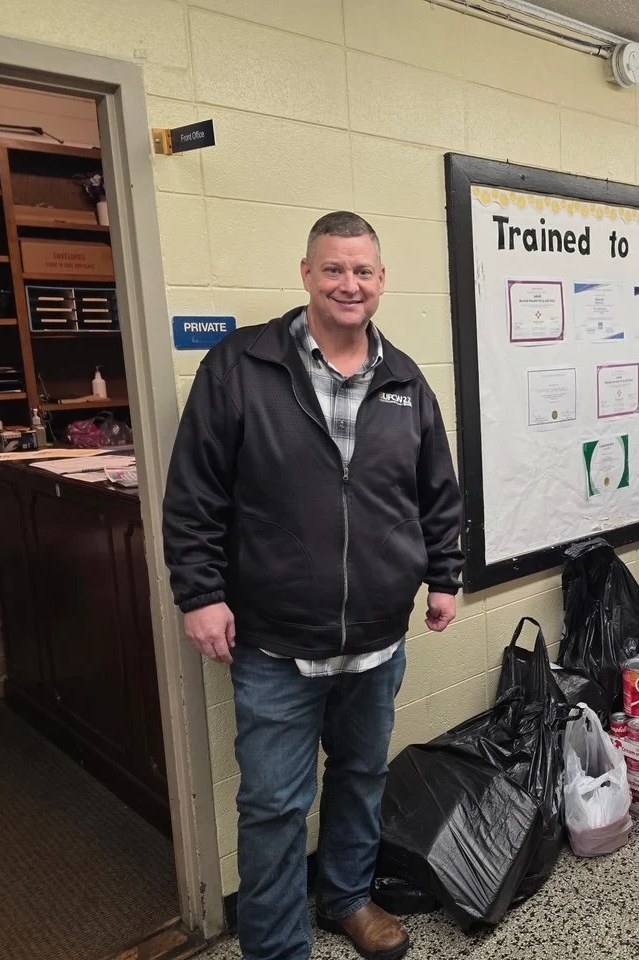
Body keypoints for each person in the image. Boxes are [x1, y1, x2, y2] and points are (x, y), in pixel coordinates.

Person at [163, 211, 462, 960]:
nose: (349, 284)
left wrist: (445, 577)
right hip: (276, 642)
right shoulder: (241, 367)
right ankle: (275, 948)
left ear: (382, 281)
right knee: (272, 807)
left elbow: (437, 494)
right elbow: (195, 494)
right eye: (333, 269)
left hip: (376, 637)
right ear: (306, 274)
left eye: (363, 271)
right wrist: (200, 595)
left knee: (361, 777)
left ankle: (347, 900)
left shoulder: (404, 380)